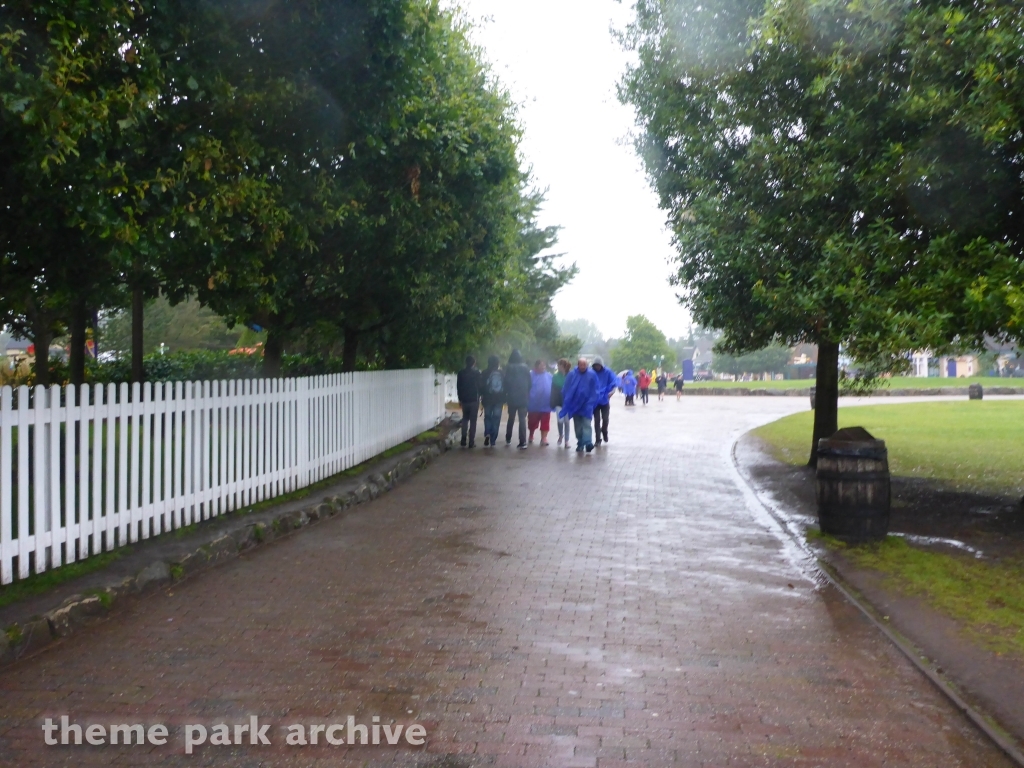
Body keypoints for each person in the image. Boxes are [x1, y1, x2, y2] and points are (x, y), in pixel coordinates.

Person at [559, 356, 599, 453]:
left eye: (584, 364)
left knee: (586, 424)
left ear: (587, 365)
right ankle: (580, 442)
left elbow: (596, 389)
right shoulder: (572, 375)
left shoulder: (592, 375)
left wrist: (592, 401)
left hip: (587, 405)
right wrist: (568, 401)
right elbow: (566, 389)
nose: (582, 366)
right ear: (578, 365)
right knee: (578, 426)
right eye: (581, 365)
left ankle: (588, 443)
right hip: (575, 404)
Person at [503, 349, 532, 449]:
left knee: (511, 418)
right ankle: (523, 442)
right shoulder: (525, 368)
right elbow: (530, 383)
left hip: (511, 396)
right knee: (522, 419)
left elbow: (505, 382)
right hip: (523, 397)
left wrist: (506, 393)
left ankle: (508, 438)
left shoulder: (508, 367)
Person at [591, 356, 619, 446]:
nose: (597, 367)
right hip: (595, 401)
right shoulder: (591, 373)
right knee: (596, 420)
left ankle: (604, 431)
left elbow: (614, 383)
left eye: (598, 365)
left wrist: (612, 392)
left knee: (605, 419)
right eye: (595, 365)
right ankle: (598, 439)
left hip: (605, 400)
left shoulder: (608, 372)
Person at [480, 355, 504, 447]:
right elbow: (505, 386)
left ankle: (487, 433)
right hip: (499, 399)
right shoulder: (501, 373)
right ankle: (493, 439)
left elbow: (481, 386)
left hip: (487, 399)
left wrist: (482, 395)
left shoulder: (485, 372)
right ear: (498, 363)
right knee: (496, 418)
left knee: (488, 417)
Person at [456, 355, 480, 448]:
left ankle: (463, 439)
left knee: (465, 419)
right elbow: (480, 386)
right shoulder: (477, 373)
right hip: (474, 399)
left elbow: (458, 387)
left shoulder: (461, 373)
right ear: (474, 363)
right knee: (473, 421)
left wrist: (460, 399)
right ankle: (471, 441)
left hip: (464, 399)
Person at [528, 359, 553, 445]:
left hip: (546, 404)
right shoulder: (531, 375)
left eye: (544, 365)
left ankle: (544, 438)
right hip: (534, 403)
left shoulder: (549, 375)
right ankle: (531, 434)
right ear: (536, 366)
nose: (543, 367)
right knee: (532, 422)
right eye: (541, 365)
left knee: (545, 422)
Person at [551, 359, 571, 447]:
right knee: (560, 420)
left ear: (564, 366)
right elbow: (553, 390)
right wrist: (552, 402)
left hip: (568, 402)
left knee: (567, 421)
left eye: (559, 365)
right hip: (558, 401)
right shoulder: (555, 377)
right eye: (558, 365)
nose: (558, 367)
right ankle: (560, 435)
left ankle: (566, 440)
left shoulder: (570, 376)